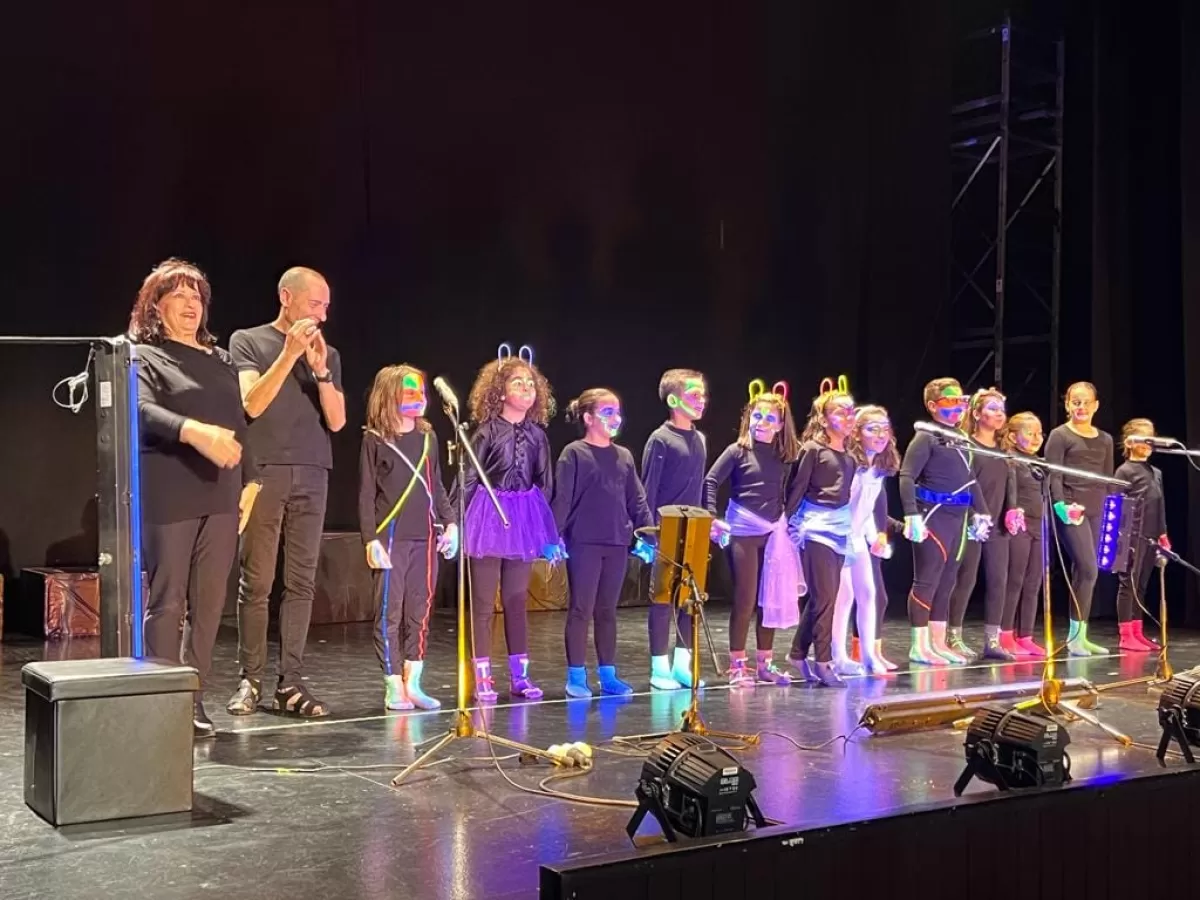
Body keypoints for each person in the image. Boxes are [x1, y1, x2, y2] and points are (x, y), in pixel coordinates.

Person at [130, 258, 261, 737]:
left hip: (222, 494)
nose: (190, 304)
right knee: (168, 601)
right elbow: (140, 410)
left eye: (197, 296)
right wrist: (192, 430)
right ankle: (162, 699)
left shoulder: (220, 359)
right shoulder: (143, 356)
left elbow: (238, 421)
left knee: (209, 605)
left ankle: (193, 697)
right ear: (155, 305)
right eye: (179, 295)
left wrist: (251, 480)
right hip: (170, 491)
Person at [226, 267, 346, 718]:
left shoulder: (326, 353)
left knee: (301, 582)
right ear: (286, 297)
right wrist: (289, 354)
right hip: (265, 471)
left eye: (326, 306)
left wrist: (321, 371)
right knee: (256, 580)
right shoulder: (248, 341)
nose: (322, 315)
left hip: (313, 471)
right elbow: (251, 403)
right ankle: (250, 679)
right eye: (315, 304)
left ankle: (290, 682)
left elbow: (337, 421)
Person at [462, 343, 559, 704]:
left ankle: (520, 676)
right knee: (483, 603)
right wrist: (456, 521)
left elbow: (545, 483)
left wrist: (543, 529)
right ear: (500, 391)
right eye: (518, 382)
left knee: (517, 601)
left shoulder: (538, 436)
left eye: (531, 384)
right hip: (487, 518)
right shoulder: (486, 431)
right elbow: (469, 478)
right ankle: (482, 677)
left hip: (522, 520)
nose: (526, 388)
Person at [359, 364, 458, 711]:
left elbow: (437, 486)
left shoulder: (428, 439)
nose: (419, 398)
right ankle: (392, 684)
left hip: (425, 537)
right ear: (390, 397)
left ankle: (413, 681)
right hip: (391, 538)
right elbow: (365, 493)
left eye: (421, 392)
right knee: (389, 612)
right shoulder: (375, 440)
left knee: (420, 610)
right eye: (409, 392)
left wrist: (450, 523)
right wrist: (370, 539)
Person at [553, 389, 652, 697]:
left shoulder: (624, 456)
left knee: (607, 610)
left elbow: (637, 499)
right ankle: (576, 676)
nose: (615, 418)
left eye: (617, 412)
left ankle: (608, 675)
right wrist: (553, 537)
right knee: (581, 609)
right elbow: (563, 498)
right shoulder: (574, 453)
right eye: (607, 412)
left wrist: (649, 535)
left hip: (616, 542)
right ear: (588, 418)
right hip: (584, 542)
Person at [703, 380, 802, 687]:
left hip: (773, 533)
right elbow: (710, 481)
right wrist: (711, 516)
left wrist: (788, 520)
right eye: (757, 416)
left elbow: (789, 490)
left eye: (770, 418)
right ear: (749, 418)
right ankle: (737, 665)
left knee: (769, 599)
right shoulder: (738, 451)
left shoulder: (784, 456)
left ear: (780, 424)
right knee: (745, 599)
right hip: (744, 530)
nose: (763, 422)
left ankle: (765, 663)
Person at [899, 378, 992, 665]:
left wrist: (982, 512)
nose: (958, 407)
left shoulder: (961, 438)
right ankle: (919, 645)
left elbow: (970, 479)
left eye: (961, 401)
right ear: (932, 406)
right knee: (927, 580)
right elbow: (906, 476)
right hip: (933, 516)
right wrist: (911, 514)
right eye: (950, 401)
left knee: (948, 580)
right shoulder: (926, 437)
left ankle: (938, 643)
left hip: (958, 519)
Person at [786, 378, 857, 687]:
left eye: (851, 411)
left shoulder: (850, 457)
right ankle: (824, 662)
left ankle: (797, 653)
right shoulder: (813, 450)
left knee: (823, 598)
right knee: (825, 597)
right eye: (840, 411)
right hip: (815, 529)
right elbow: (797, 488)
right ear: (824, 419)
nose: (849, 417)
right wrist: (785, 525)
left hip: (839, 530)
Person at [640, 368, 709, 690]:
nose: (702, 400)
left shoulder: (700, 439)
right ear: (673, 400)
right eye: (694, 394)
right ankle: (659, 668)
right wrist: (649, 533)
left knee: (689, 597)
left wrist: (707, 521)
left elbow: (699, 487)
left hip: (694, 528)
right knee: (663, 598)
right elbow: (649, 488)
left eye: (703, 394)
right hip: (666, 528)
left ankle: (683, 664)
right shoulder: (660, 439)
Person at [1043, 382, 1114, 656]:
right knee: (1088, 568)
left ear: (1096, 405)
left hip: (1097, 511)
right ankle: (1074, 638)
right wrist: (1060, 505)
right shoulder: (1060, 435)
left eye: (1086, 402)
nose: (1081, 407)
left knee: (1085, 573)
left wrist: (1109, 511)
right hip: (1072, 509)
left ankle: (1080, 636)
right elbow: (1053, 474)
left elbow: (1106, 479)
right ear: (1067, 405)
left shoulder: (1105, 439)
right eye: (1075, 402)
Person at [947, 388, 1014, 661]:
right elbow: (965, 483)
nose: (999, 414)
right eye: (992, 408)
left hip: (998, 523)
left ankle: (992, 640)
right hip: (972, 520)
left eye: (1001, 410)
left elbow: (1010, 485)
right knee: (966, 578)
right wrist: (976, 514)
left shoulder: (1005, 451)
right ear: (976, 414)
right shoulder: (967, 446)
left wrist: (1012, 510)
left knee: (999, 580)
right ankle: (953, 636)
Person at [836, 405, 902, 675]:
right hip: (837, 535)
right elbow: (843, 506)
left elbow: (867, 511)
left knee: (868, 593)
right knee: (844, 596)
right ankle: (837, 656)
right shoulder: (850, 464)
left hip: (857, 537)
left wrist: (875, 537)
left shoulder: (878, 468)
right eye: (872, 429)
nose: (880, 434)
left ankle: (868, 655)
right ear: (856, 432)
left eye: (884, 428)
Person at [1113, 418, 1169, 652]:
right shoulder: (1124, 471)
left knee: (1142, 585)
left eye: (1151, 439)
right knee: (1129, 584)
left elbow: (1160, 503)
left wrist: (1163, 533)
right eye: (1143, 439)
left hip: (1151, 534)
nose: (1148, 444)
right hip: (1131, 535)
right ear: (1129, 442)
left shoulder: (1155, 472)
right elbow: (1116, 503)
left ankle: (1137, 631)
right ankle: (1125, 635)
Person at [999, 412, 1047, 657]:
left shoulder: (1039, 464)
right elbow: (1011, 494)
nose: (1037, 438)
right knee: (1015, 580)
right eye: (1030, 433)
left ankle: (1025, 635)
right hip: (1019, 527)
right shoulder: (1011, 461)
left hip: (1040, 527)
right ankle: (1005, 634)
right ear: (1012, 436)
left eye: (1040, 433)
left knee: (1033, 582)